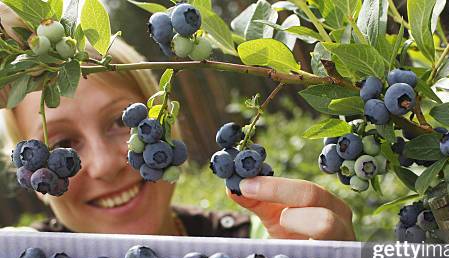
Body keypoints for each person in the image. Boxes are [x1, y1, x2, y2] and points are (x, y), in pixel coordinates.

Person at [0, 7, 355, 240]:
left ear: (166, 125)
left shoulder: (254, 244)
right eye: (63, 143)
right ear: (28, 169)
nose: (106, 165)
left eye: (120, 122)